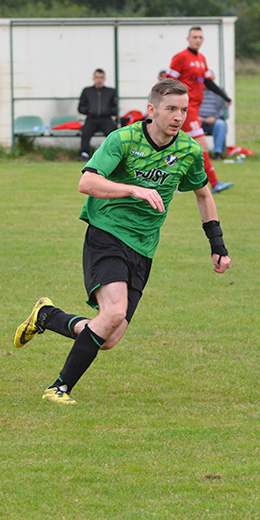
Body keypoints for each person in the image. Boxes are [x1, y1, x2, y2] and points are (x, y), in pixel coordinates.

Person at [13, 79, 231, 405]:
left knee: (108, 337)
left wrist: (217, 244)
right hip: (107, 232)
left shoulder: (188, 151)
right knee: (113, 313)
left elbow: (203, 194)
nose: (178, 116)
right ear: (152, 110)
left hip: (144, 246)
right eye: (171, 109)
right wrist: (133, 189)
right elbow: (87, 182)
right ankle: (58, 388)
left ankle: (48, 316)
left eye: (183, 110)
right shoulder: (123, 139)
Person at [167, 26, 234, 194]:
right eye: (194, 37)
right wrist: (172, 105)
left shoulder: (202, 59)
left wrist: (225, 97)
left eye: (200, 37)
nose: (197, 40)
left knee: (175, 145)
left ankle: (169, 182)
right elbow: (168, 81)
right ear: (188, 38)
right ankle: (215, 183)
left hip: (195, 108)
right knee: (201, 145)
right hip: (185, 109)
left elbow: (209, 83)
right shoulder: (180, 57)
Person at [78, 68, 118, 159]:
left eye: (101, 77)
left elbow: (115, 108)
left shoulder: (110, 92)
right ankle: (84, 154)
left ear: (104, 79)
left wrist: (107, 111)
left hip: (106, 118)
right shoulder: (87, 91)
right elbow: (80, 108)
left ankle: (113, 154)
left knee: (113, 134)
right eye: (97, 77)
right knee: (85, 132)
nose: (99, 80)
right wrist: (90, 110)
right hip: (91, 118)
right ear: (93, 78)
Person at [199, 89, 228, 160]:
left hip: (214, 122)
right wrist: (195, 117)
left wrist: (215, 118)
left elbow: (224, 110)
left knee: (221, 124)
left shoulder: (220, 92)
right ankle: (195, 154)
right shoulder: (195, 91)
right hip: (197, 121)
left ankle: (217, 153)